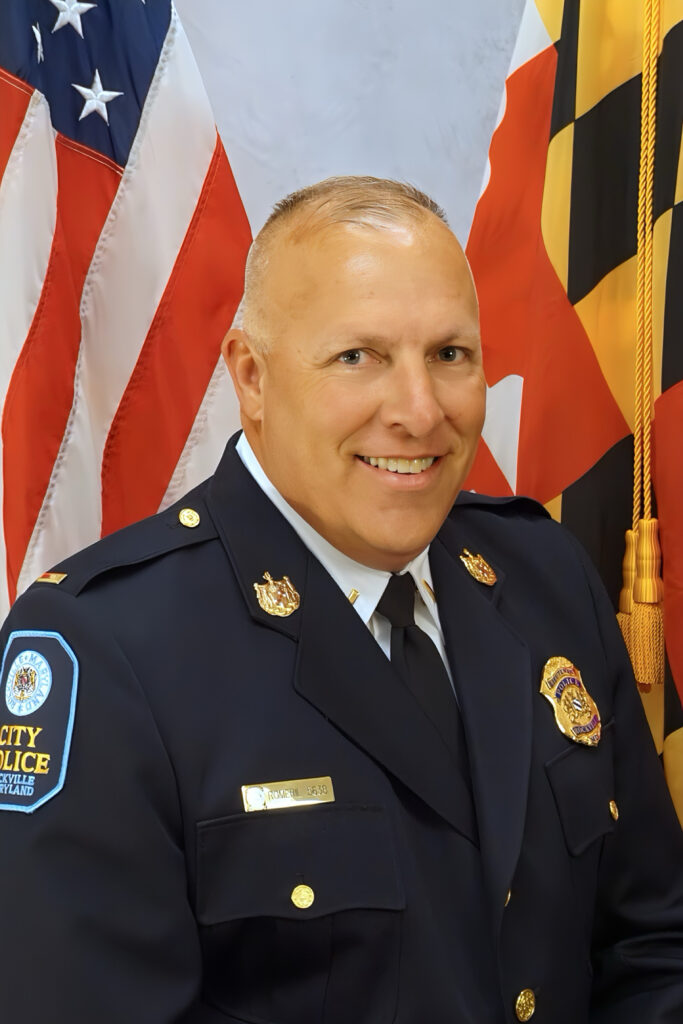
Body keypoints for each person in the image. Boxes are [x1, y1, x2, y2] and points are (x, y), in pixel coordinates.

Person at [1, 176, 682, 1024]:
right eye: (357, 357)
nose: (418, 411)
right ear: (251, 378)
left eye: (449, 354)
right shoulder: (108, 648)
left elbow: (652, 944)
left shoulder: (541, 574)